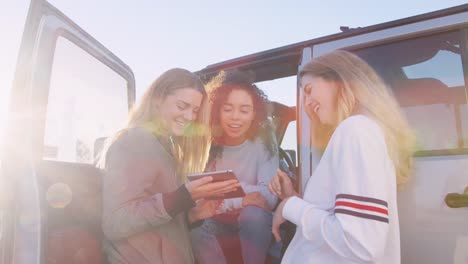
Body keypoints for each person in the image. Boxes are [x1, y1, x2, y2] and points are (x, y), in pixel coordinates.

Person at [269, 50, 415, 263]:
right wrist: (292, 197)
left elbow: (360, 243)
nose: (306, 102)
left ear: (339, 79)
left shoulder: (355, 129)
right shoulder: (361, 130)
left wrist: (290, 206)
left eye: (309, 90)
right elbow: (342, 219)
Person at [100, 68, 240, 264]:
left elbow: (159, 220)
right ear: (157, 99)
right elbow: (116, 222)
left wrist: (192, 216)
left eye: (195, 110)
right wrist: (182, 197)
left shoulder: (165, 147)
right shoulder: (135, 140)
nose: (190, 116)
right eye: (182, 106)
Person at [191, 70, 279, 264]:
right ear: (217, 111)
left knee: (253, 214)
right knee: (193, 225)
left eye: (244, 110)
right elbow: (201, 196)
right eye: (227, 109)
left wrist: (225, 193)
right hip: (215, 220)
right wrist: (244, 196)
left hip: (254, 223)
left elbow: (268, 197)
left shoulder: (264, 143)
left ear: (254, 114)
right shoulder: (207, 143)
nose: (235, 117)